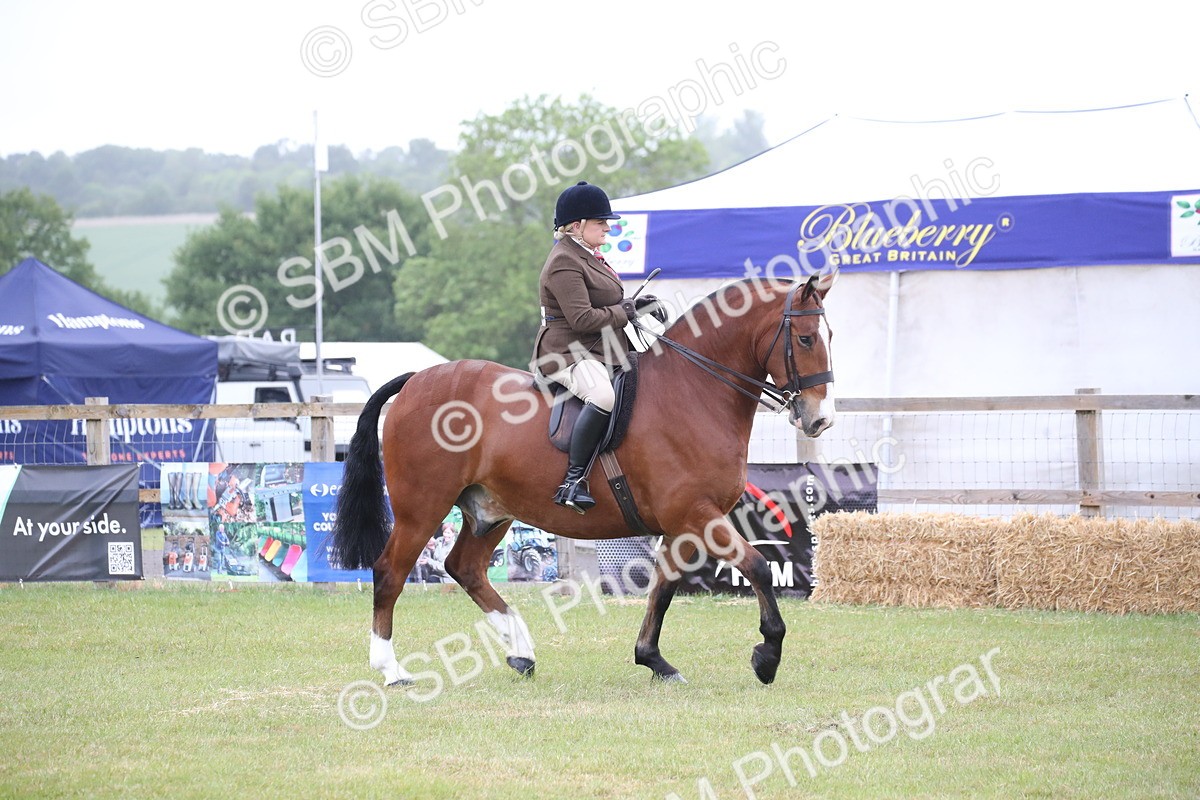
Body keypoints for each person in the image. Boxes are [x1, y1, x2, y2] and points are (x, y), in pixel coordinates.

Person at [531, 181, 668, 513]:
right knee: (603, 396)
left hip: (600, 348)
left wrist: (635, 303)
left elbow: (605, 301)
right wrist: (625, 312)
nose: (608, 226)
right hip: (568, 352)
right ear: (577, 226)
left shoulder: (588, 256)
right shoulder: (565, 261)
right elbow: (581, 319)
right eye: (600, 221)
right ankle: (573, 481)